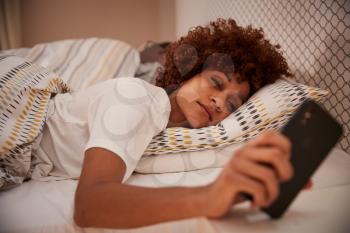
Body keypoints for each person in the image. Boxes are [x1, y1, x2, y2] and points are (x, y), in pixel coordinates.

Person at [29, 18, 311, 228]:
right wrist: (211, 195)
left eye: (233, 104)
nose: (219, 103)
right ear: (187, 72)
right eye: (215, 82)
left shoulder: (167, 127)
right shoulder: (135, 96)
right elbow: (90, 205)